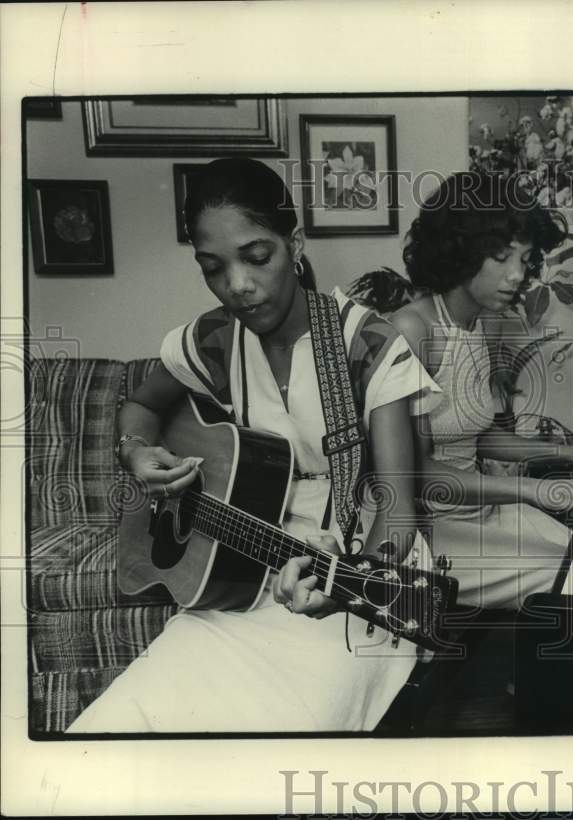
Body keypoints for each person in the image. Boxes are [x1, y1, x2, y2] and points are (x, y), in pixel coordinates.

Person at [67, 157, 439, 733]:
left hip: (354, 570)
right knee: (122, 721)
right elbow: (139, 407)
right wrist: (137, 453)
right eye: (213, 268)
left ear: (294, 244)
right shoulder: (214, 339)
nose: (237, 285)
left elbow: (397, 508)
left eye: (256, 257)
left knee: (280, 741)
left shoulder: (365, 342)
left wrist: (344, 585)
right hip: (239, 576)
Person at [391, 173, 573, 610]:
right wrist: (533, 490)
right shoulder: (412, 328)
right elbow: (414, 472)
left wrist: (572, 453)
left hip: (483, 509)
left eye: (524, 260)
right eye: (501, 258)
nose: (515, 275)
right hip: (430, 529)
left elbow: (475, 435)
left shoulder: (476, 324)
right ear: (460, 252)